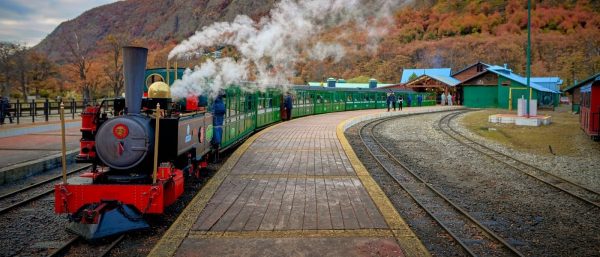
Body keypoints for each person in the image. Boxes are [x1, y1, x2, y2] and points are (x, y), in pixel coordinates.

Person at [212, 93, 226, 162]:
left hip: (216, 125)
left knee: (216, 142)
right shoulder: (220, 103)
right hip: (218, 125)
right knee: (217, 142)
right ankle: (216, 158)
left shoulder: (216, 103)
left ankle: (215, 158)